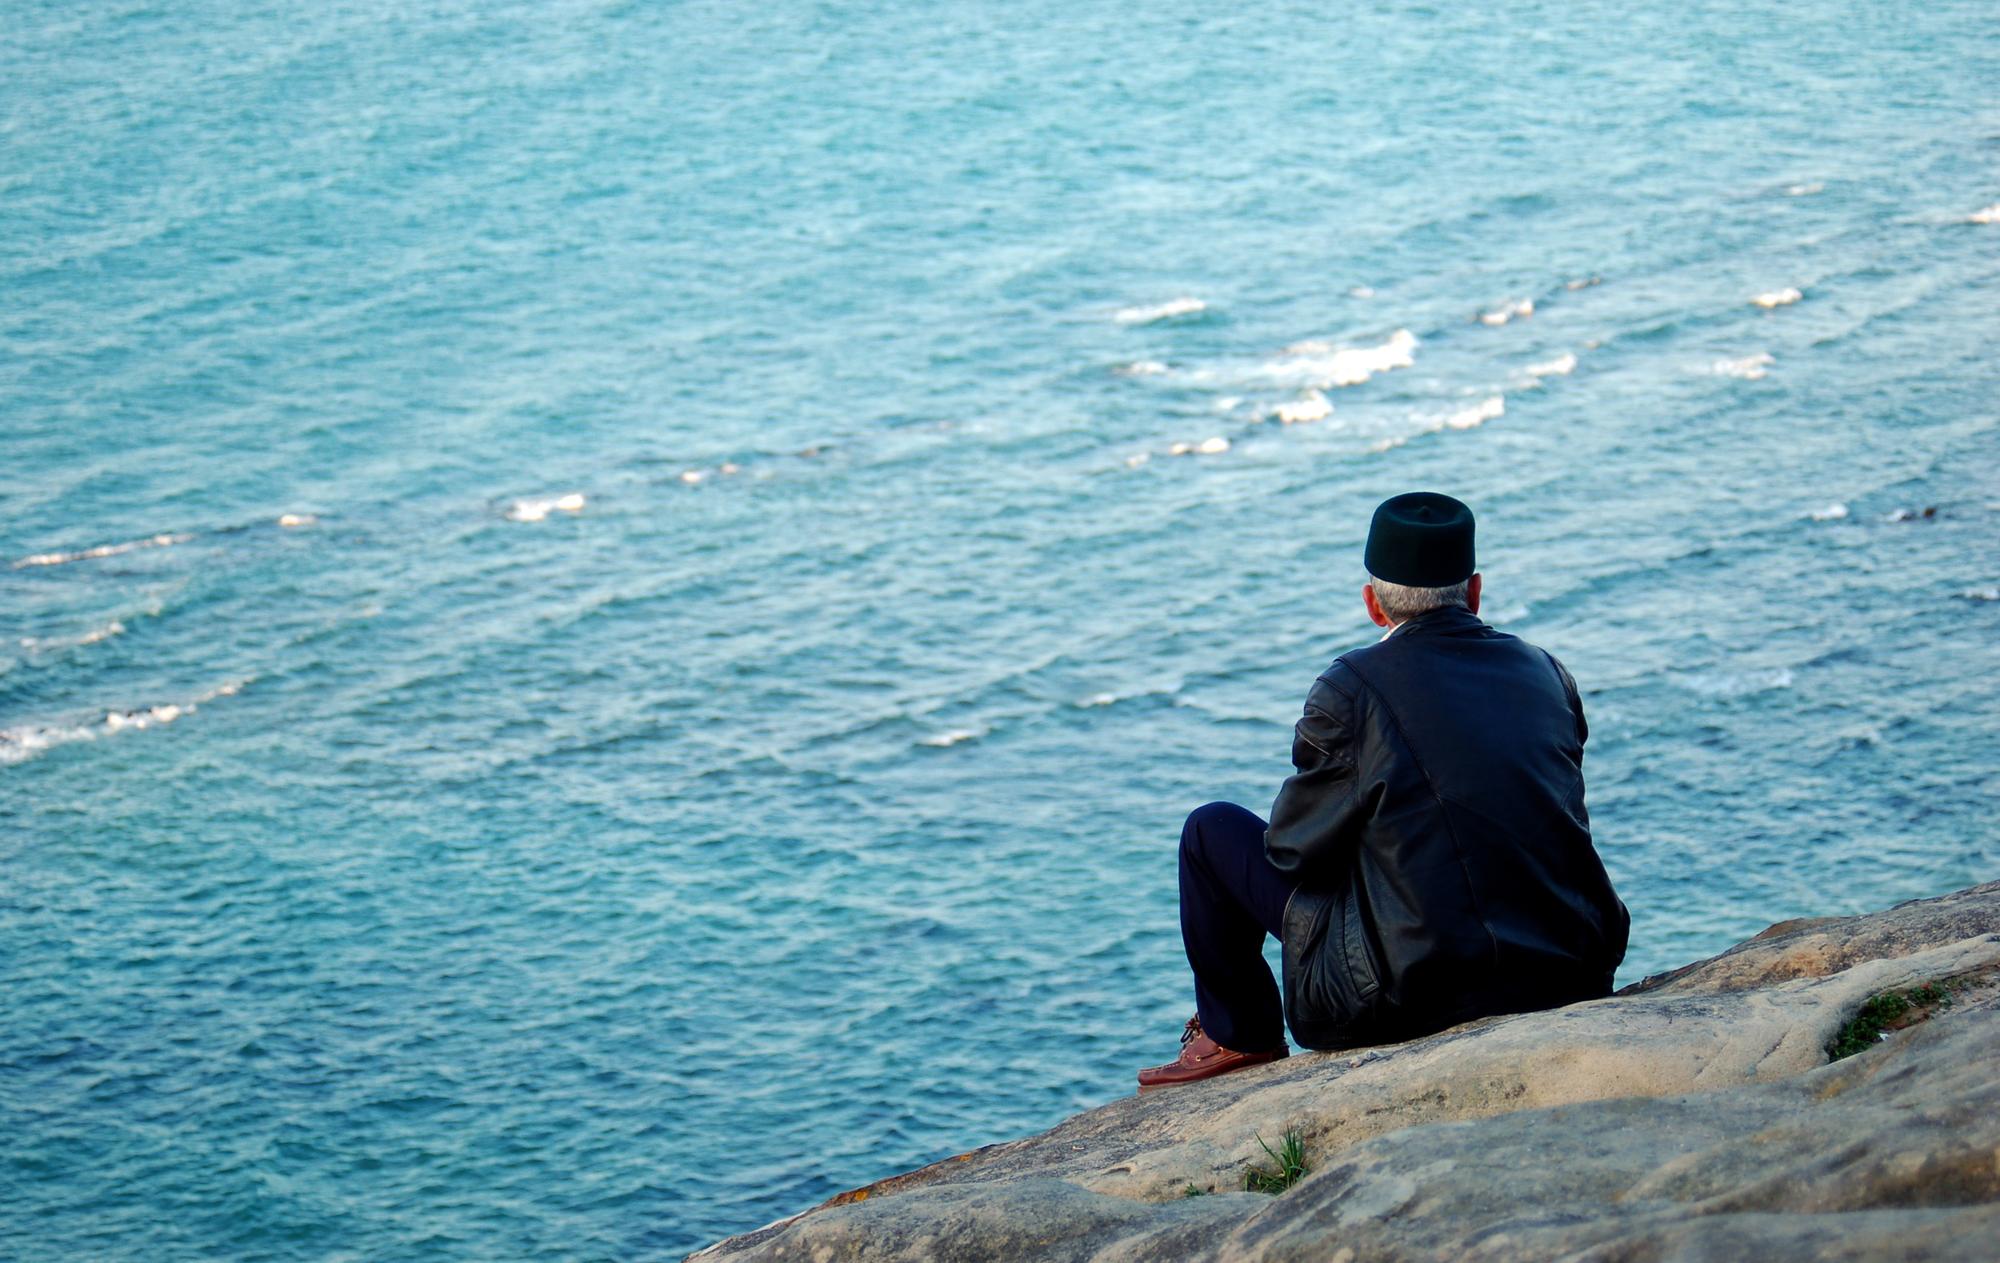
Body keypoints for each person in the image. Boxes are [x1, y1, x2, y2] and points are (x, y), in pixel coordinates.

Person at [1138, 492, 1629, 1089]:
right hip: (1569, 967)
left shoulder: (1350, 688)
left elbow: (1293, 849)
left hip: (1409, 995)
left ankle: (1239, 1035)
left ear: (1373, 604)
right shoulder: (1547, 672)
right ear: (1473, 591)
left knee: (1210, 830)